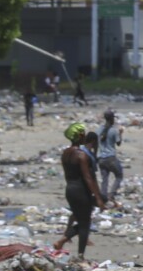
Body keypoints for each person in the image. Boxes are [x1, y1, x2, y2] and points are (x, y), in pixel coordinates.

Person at [53, 123, 105, 259]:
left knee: (81, 220)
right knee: (84, 224)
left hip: (69, 189)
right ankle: (80, 254)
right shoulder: (81, 155)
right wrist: (98, 197)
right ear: (80, 136)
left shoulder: (65, 153)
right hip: (81, 190)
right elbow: (88, 178)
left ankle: (62, 241)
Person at [96, 110, 123, 203]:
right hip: (111, 157)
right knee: (119, 176)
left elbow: (96, 143)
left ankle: (103, 197)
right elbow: (118, 143)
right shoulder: (113, 130)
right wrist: (120, 133)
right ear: (112, 119)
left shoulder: (99, 130)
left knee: (104, 179)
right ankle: (111, 194)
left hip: (101, 158)